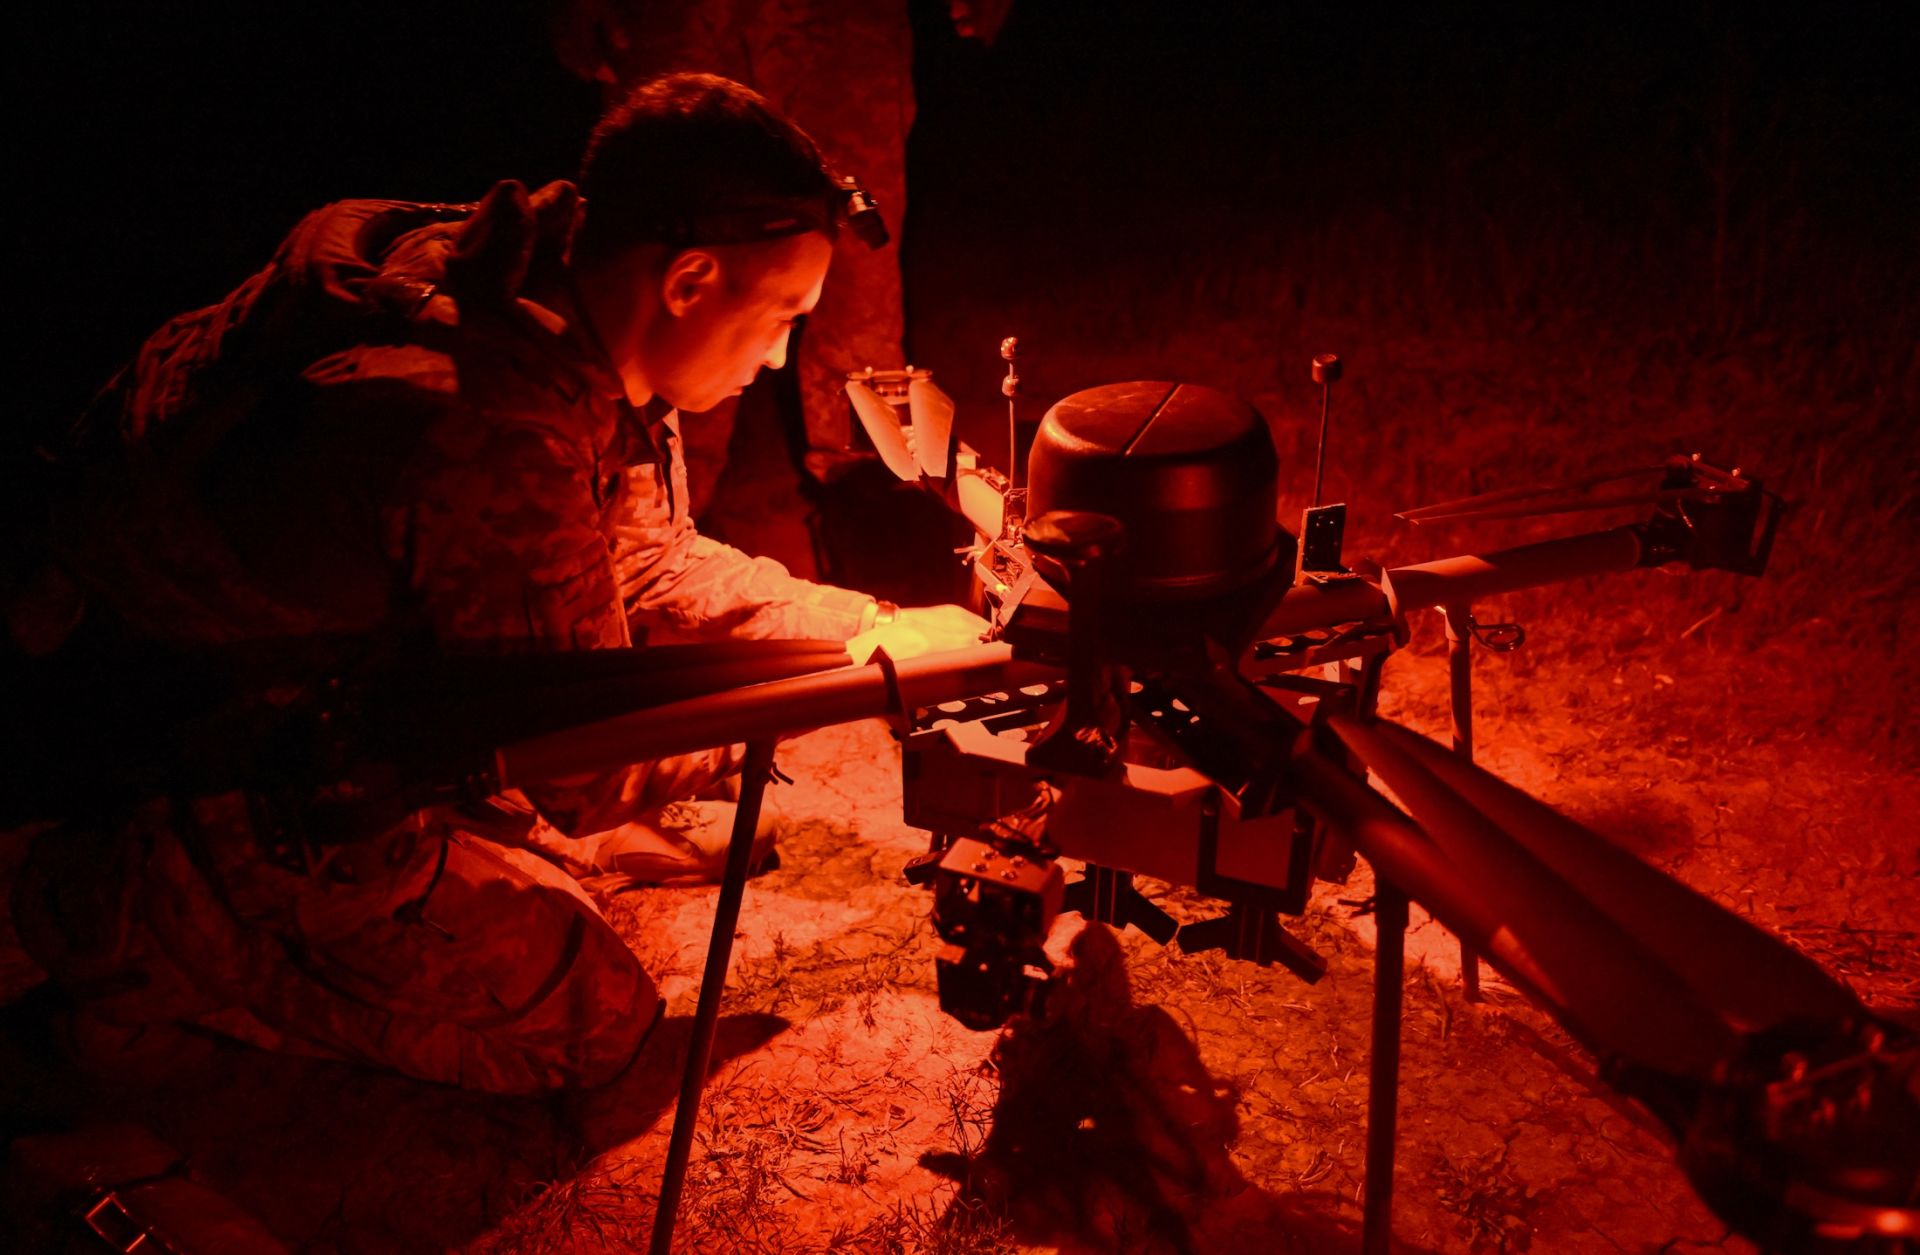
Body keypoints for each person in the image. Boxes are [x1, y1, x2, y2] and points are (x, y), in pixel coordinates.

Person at [9, 73, 986, 1094]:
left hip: (318, 683)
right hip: (229, 760)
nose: (785, 353)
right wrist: (820, 696)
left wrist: (866, 624)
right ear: (690, 280)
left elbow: (644, 558)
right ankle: (144, 946)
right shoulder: (489, 428)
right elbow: (579, 773)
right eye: (784, 313)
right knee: (598, 1024)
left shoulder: (547, 296)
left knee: (546, 853)